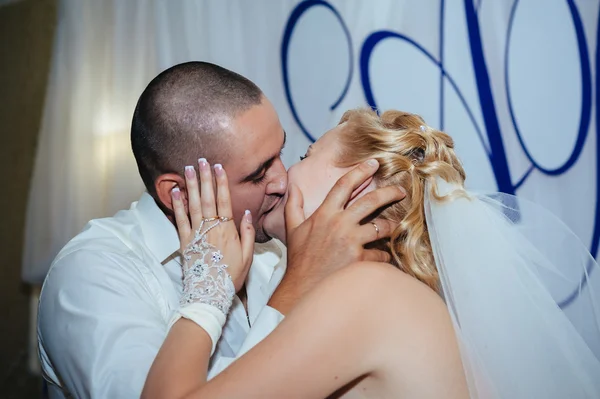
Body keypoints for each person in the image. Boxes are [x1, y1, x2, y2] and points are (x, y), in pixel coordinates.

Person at [142, 109, 600, 398]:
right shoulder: (389, 293)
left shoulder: (368, 293)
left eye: (304, 154)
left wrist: (207, 284)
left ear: (357, 188)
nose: (280, 179)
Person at [36, 63, 402, 398]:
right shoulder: (93, 273)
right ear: (177, 192)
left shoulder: (275, 245)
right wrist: (298, 283)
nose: (281, 179)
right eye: (258, 173)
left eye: (282, 154)